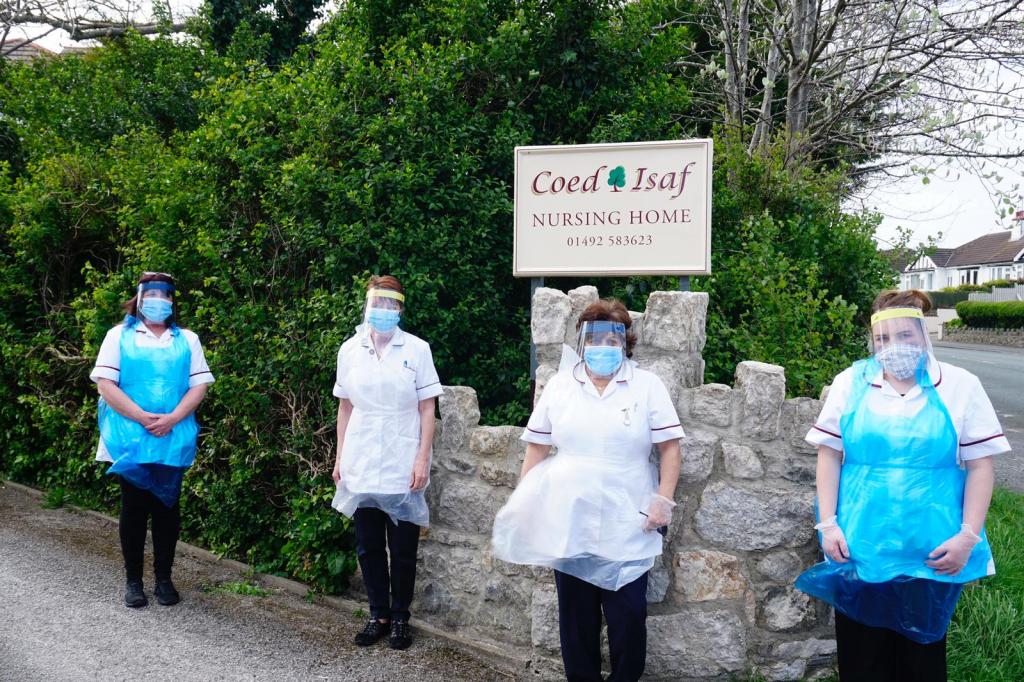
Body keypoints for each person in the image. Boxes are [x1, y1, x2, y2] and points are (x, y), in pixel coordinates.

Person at [796, 289, 1010, 681]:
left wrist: (968, 537)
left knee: (921, 660)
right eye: (882, 338)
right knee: (862, 658)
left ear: (923, 333)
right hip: (861, 544)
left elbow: (981, 466)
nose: (892, 346)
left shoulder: (960, 385)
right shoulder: (851, 382)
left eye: (904, 335)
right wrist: (828, 525)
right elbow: (828, 454)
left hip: (932, 549)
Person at [491, 298, 683, 682]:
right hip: (570, 520)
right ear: (581, 343)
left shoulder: (646, 386)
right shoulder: (562, 386)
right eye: (593, 339)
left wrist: (663, 499)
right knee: (576, 626)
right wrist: (523, 503)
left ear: (624, 344)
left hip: (629, 522)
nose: (602, 348)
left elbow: (670, 448)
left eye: (611, 340)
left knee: (628, 620)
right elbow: (537, 449)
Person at [330, 275, 443, 650]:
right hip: (360, 455)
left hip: (402, 455)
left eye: (391, 305)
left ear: (400, 308)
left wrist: (422, 457)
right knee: (368, 545)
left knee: (404, 547)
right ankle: (376, 613)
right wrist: (340, 457)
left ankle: (400, 617)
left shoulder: (417, 349)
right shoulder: (350, 350)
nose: (384, 311)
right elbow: (344, 408)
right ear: (367, 306)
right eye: (377, 304)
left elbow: (428, 408)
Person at [90, 272, 214, 608]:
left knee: (167, 508)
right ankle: (133, 581)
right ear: (140, 297)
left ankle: (163, 578)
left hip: (172, 436)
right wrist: (142, 418)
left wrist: (172, 418)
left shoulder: (187, 339)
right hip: (130, 436)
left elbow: (199, 385)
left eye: (166, 295)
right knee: (133, 506)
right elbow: (106, 384)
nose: (159, 301)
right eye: (152, 294)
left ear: (173, 300)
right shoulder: (119, 335)